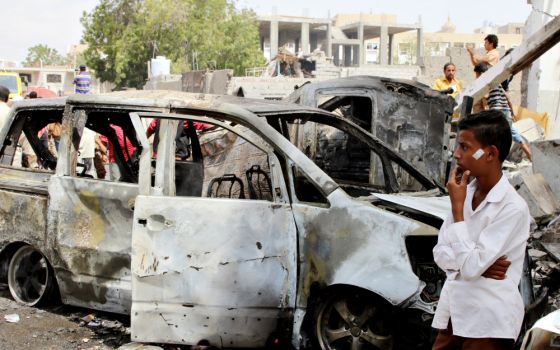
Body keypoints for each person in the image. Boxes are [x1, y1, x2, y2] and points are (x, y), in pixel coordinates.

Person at [432, 110, 530, 350]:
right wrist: (477, 267)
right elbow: (440, 254)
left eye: (465, 147)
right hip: (455, 313)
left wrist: (457, 212)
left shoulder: (512, 207)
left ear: (490, 153)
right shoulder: (465, 192)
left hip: (489, 320)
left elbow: (471, 265)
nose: (456, 154)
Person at [473, 63, 532, 161]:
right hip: (506, 111)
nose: (476, 77)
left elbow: (486, 96)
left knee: (488, 136)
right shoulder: (498, 82)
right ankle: (530, 156)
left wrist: (480, 93)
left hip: (496, 111)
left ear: (481, 73)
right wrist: (512, 113)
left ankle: (478, 158)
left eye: (477, 74)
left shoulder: (486, 81)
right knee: (514, 134)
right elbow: (508, 97)